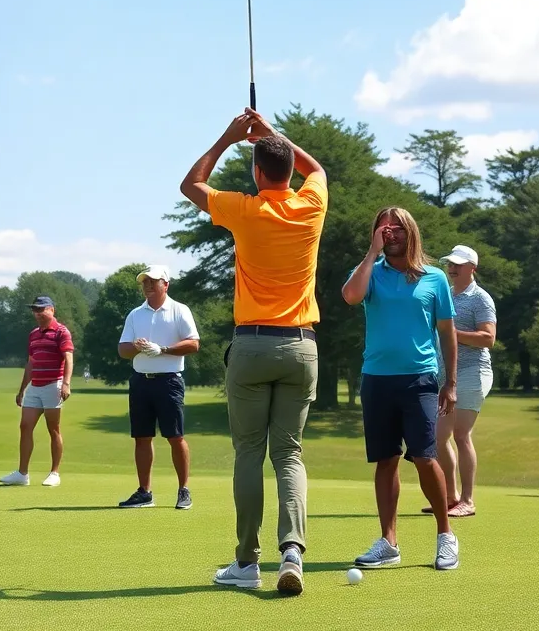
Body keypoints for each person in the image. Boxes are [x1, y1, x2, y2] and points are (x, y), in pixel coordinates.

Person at [181, 108, 327, 596]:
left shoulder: (245, 209)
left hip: (252, 345)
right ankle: (293, 552)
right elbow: (318, 171)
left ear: (257, 173)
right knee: (289, 455)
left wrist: (229, 136)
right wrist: (271, 135)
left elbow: (191, 185)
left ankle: (247, 561)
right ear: (287, 172)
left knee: (250, 452)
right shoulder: (310, 205)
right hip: (300, 346)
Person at [342, 207, 461, 571]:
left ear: (411, 233)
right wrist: (371, 254)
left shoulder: (435, 278)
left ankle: (445, 535)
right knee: (386, 460)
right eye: (383, 228)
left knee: (425, 456)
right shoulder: (370, 273)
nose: (390, 233)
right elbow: (350, 296)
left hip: (420, 379)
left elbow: (447, 332)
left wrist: (451, 383)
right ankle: (388, 542)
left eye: (397, 229)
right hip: (377, 379)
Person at [116, 264, 200, 510]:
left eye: (153, 282)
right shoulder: (135, 314)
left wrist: (163, 349)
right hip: (141, 380)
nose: (148, 286)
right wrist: (138, 346)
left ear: (166, 284)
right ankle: (145, 492)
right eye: (144, 282)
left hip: (169, 381)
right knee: (141, 437)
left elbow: (193, 344)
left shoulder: (178, 310)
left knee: (175, 436)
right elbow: (123, 350)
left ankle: (183, 490)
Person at [425, 245, 496, 518]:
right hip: (445, 376)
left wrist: (451, 332)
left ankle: (468, 500)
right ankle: (451, 497)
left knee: (461, 435)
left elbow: (488, 338)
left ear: (472, 268)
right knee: (438, 438)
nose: (451, 269)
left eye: (457, 264)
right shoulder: (446, 296)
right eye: (450, 264)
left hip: (472, 372)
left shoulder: (480, 298)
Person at [0, 296, 73, 487]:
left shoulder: (61, 332)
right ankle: (22, 474)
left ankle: (54, 473)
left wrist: (66, 383)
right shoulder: (33, 334)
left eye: (41, 309)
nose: (37, 314)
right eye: (35, 310)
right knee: (25, 426)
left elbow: (68, 358)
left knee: (53, 429)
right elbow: (31, 363)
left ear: (52, 310)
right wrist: (22, 390)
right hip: (35, 386)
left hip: (53, 385)